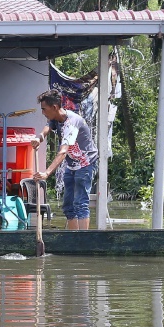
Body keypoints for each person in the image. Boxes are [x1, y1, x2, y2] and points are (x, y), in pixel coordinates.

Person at [31, 90, 99, 230]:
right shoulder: (57, 117)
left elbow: (63, 152)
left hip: (86, 164)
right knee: (68, 206)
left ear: (54, 107)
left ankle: (82, 240)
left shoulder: (71, 123)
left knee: (80, 203)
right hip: (72, 164)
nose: (43, 112)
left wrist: (46, 173)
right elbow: (49, 125)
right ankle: (72, 239)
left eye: (44, 109)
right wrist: (40, 137)